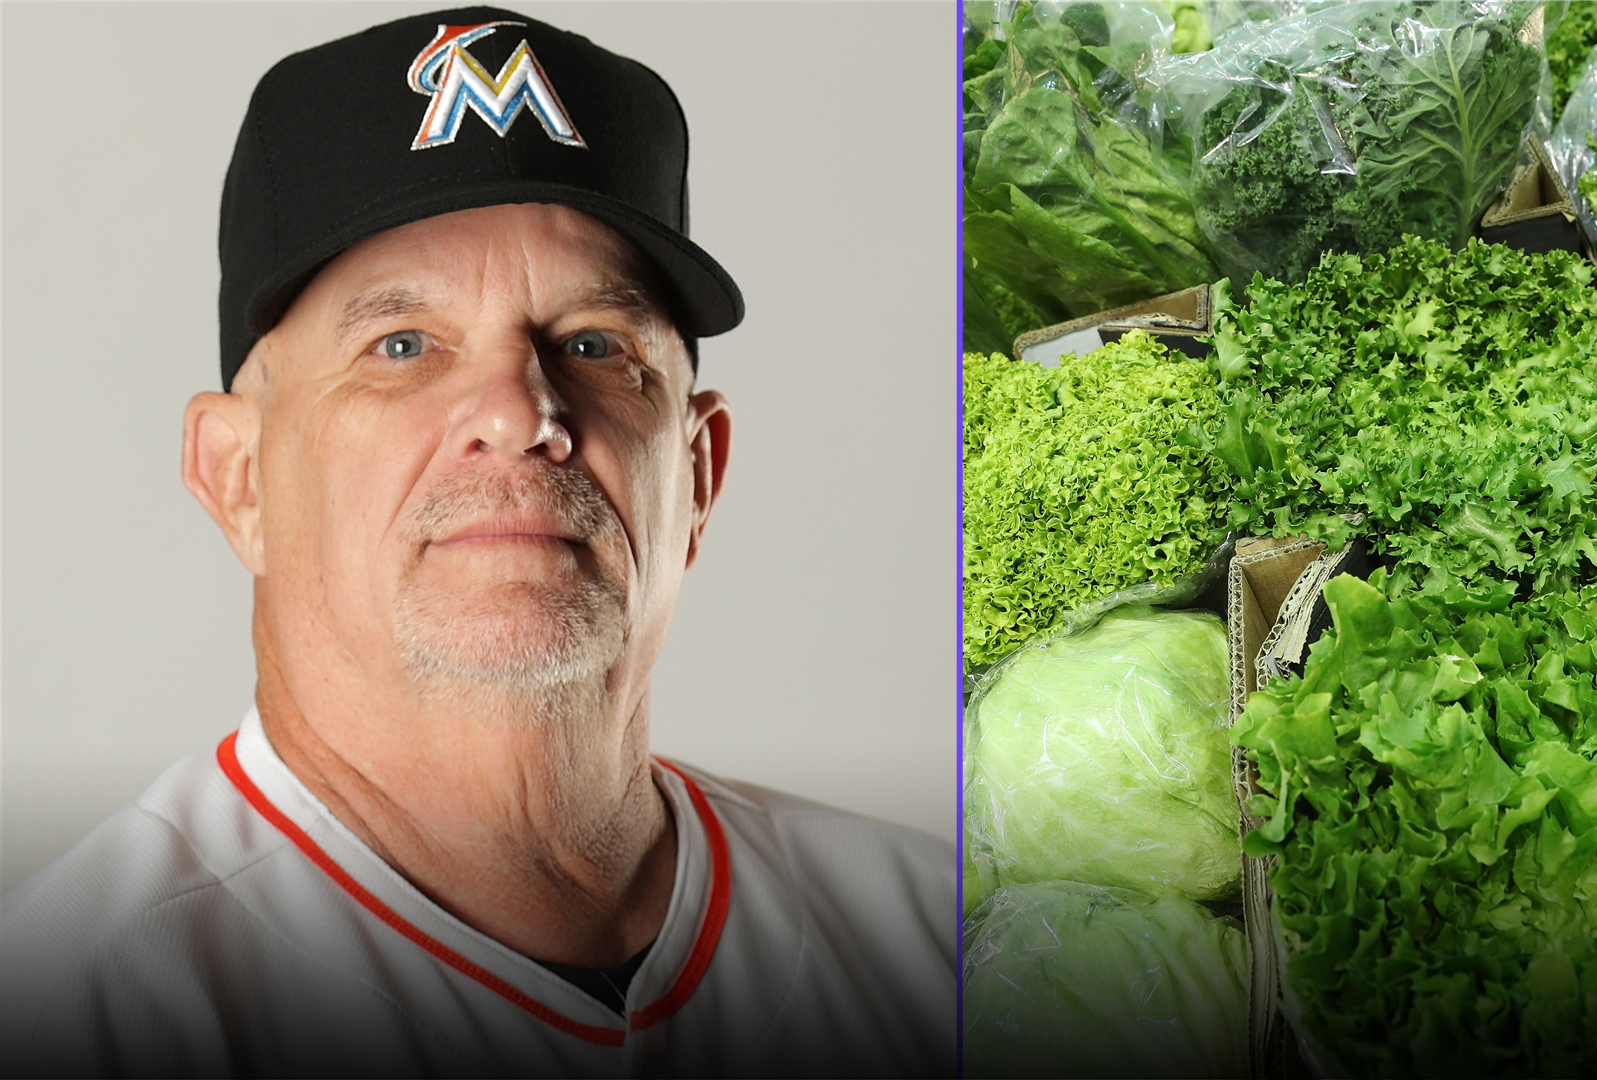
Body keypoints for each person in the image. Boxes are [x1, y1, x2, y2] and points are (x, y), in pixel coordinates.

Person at [0, 7, 956, 1077]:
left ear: (697, 475)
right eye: (401, 345)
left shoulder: (952, 940)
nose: (518, 409)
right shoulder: (74, 1004)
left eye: (594, 344)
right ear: (240, 478)